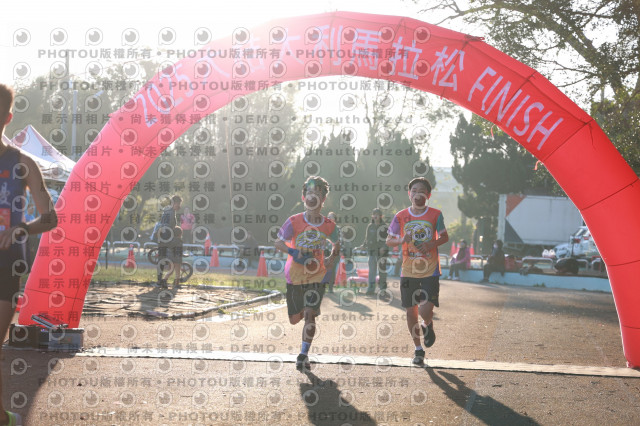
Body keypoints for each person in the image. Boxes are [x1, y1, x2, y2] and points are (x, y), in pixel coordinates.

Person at [0, 83, 58, 426]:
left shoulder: (23, 163)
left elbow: (51, 218)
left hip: (7, 264)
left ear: (7, 118)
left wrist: (21, 229)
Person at [274, 176, 340, 371]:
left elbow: (337, 244)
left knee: (310, 314)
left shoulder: (329, 225)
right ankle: (304, 309)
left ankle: (303, 354)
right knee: (295, 319)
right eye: (309, 193)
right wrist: (294, 252)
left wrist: (331, 258)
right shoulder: (293, 221)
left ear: (323, 199)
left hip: (317, 275)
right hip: (295, 275)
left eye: (317, 194)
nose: (313, 197)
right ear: (303, 197)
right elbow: (278, 243)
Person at [386, 177, 449, 366]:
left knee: (425, 310)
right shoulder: (400, 216)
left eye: (421, 190)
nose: (417, 193)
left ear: (428, 195)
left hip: (430, 270)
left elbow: (445, 237)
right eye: (414, 190)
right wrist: (401, 240)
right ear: (409, 194)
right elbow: (389, 240)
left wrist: (431, 243)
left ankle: (427, 324)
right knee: (410, 312)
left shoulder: (436, 214)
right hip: (408, 271)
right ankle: (418, 349)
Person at [356, 208, 389, 295]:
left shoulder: (385, 227)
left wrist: (384, 247)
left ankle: (383, 289)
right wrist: (363, 245)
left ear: (381, 216)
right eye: (374, 214)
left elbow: (388, 239)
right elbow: (367, 239)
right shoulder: (370, 226)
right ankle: (370, 290)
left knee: (382, 271)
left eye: (377, 214)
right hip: (372, 251)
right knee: (372, 271)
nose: (375, 216)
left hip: (382, 252)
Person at [157, 194, 182, 288]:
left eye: (179, 204)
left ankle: (160, 280)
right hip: (166, 238)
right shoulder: (170, 213)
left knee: (162, 259)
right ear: (173, 203)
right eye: (178, 204)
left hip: (163, 237)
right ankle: (163, 280)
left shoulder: (168, 211)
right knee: (171, 259)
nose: (179, 206)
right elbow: (166, 226)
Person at [323, 212, 341, 293]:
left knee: (332, 270)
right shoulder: (324, 228)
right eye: (328, 217)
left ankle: (330, 288)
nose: (329, 218)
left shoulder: (338, 229)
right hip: (325, 251)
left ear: (335, 219)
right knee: (323, 269)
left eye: (331, 217)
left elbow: (341, 241)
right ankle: (322, 287)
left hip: (334, 252)